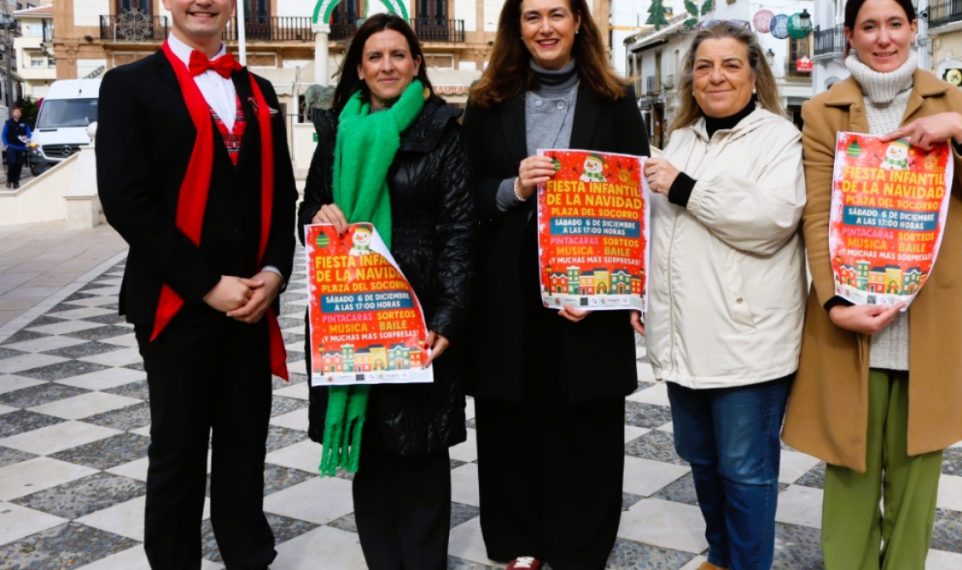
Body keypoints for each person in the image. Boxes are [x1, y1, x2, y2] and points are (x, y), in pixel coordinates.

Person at [781, 0, 962, 567]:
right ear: (852, 36)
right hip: (853, 322)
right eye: (869, 27)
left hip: (929, 324)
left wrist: (961, 133)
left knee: (916, 484)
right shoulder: (822, 113)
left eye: (894, 24)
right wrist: (834, 302)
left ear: (913, 29)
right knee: (850, 471)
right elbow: (816, 217)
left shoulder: (953, 101)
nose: (883, 38)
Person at [95, 0, 297, 565]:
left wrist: (275, 274)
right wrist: (207, 284)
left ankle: (248, 554)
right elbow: (126, 202)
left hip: (252, 303)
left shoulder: (259, 89)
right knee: (178, 452)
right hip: (173, 301)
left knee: (244, 446)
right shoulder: (128, 85)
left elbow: (283, 195)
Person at [463, 0, 649, 567]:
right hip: (506, 290)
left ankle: (580, 545)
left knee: (584, 420)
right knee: (511, 418)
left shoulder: (615, 102)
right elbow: (462, 192)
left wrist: (606, 291)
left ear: (577, 24)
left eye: (557, 14)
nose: (545, 27)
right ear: (515, 28)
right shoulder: (486, 101)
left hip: (587, 288)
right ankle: (519, 541)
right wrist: (512, 189)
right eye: (532, 16)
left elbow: (633, 202)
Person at [298, 13, 474, 569]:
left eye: (398, 55)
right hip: (352, 315)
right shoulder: (337, 133)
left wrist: (446, 316)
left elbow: (460, 230)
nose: (387, 65)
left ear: (417, 64)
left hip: (416, 315)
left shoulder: (443, 130)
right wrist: (319, 215)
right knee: (372, 454)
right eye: (374, 56)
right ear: (359, 68)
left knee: (420, 450)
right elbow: (308, 211)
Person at [639, 21, 805, 570]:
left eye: (731, 65)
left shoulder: (781, 140)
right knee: (702, 460)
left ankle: (747, 563)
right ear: (691, 79)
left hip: (748, 345)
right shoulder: (680, 141)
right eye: (704, 66)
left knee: (746, 469)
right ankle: (720, 555)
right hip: (684, 338)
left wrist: (685, 187)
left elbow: (772, 221)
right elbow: (661, 235)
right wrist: (639, 291)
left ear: (754, 77)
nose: (716, 77)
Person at [3, 107, 30, 188]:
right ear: (13, 113)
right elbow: (3, 134)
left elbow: (29, 133)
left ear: (20, 114)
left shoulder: (24, 123)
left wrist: (26, 136)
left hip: (21, 147)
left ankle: (16, 182)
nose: (17, 113)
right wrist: (5, 143)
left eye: (18, 112)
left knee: (19, 165)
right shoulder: (8, 123)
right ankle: (9, 179)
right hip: (11, 146)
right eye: (15, 112)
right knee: (12, 163)